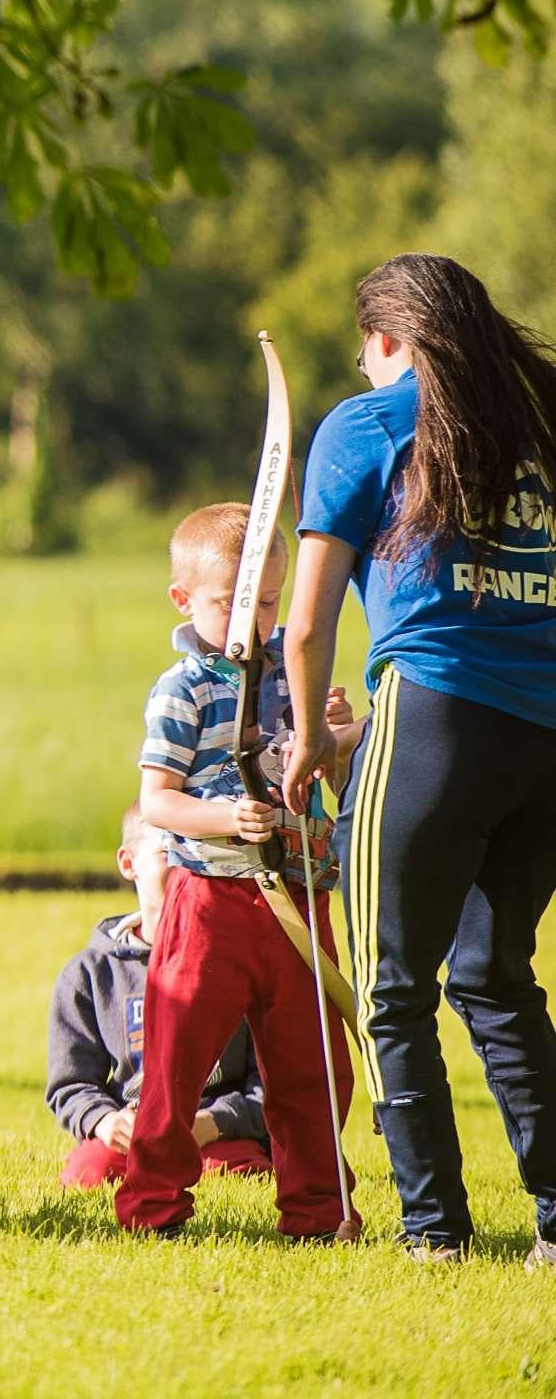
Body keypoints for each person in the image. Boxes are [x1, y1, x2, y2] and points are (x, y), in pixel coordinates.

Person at [282, 253, 556, 1270]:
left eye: (364, 350)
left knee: (395, 983)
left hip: (436, 715)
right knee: (495, 973)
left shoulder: (369, 424)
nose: (361, 367)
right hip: (549, 735)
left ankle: (435, 1232)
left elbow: (307, 624)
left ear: (390, 341)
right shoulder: (541, 427)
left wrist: (310, 736)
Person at [119, 504, 360, 1239]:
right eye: (231, 602)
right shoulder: (181, 687)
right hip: (209, 902)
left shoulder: (296, 665)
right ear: (184, 599)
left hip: (297, 896)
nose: (250, 619)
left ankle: (319, 1213)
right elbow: (157, 803)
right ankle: (153, 1207)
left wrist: (337, 738)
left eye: (265, 601)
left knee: (313, 1069)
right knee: (175, 1064)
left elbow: (328, 773)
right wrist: (227, 817)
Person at [48, 806, 271, 1189]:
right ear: (128, 863)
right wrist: (106, 1122)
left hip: (216, 1135)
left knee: (243, 1175)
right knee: (90, 1174)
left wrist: (212, 1123)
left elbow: (269, 1083)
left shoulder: (239, 962)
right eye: (169, 851)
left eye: (196, 850)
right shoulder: (89, 974)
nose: (186, 865)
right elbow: (71, 1085)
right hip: (132, 1133)